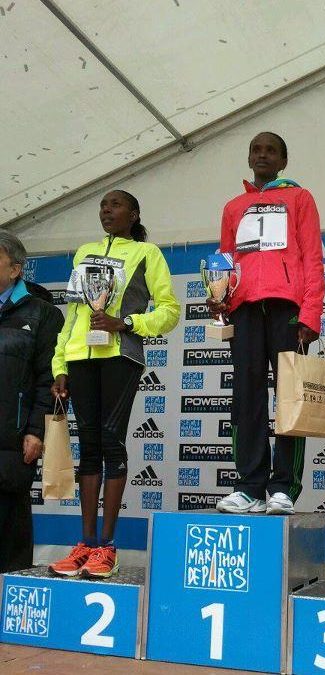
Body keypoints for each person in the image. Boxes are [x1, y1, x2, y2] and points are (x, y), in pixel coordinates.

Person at [48, 190, 180, 578]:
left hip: (120, 356)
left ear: (134, 214)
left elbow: (170, 311)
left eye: (116, 205)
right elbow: (74, 315)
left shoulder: (147, 253)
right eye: (103, 205)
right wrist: (60, 364)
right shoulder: (84, 252)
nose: (107, 210)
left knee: (110, 441)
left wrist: (126, 323)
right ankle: (86, 544)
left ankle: (107, 547)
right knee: (88, 447)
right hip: (79, 357)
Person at [209, 132, 325, 516]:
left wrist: (310, 313)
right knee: (246, 397)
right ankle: (249, 487)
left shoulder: (300, 198)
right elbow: (225, 261)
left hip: (286, 307)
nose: (262, 155)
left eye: (271, 150)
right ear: (248, 158)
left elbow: (312, 258)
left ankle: (283, 487)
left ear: (283, 161)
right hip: (243, 309)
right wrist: (220, 298)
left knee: (290, 397)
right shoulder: (233, 207)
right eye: (256, 150)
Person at [0, 232, 64, 572]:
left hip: (12, 439)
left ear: (15, 269)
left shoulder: (43, 314)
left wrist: (37, 430)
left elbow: (49, 379)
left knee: (9, 531)